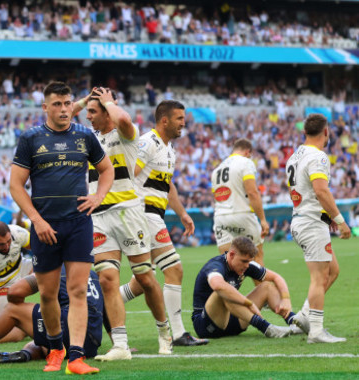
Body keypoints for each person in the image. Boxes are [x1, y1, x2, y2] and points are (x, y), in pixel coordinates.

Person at [9, 81, 114, 375]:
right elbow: (16, 186)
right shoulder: (31, 139)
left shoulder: (84, 136)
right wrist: (37, 220)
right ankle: (56, 348)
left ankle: (76, 358)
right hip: (45, 227)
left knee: (78, 290)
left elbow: (107, 170)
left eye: (67, 103)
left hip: (78, 223)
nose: (64, 109)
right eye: (57, 104)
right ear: (46, 107)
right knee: (47, 294)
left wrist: (98, 196)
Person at [73, 87, 171, 359]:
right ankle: (120, 345)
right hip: (99, 214)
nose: (88, 116)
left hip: (128, 212)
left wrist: (108, 102)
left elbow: (125, 120)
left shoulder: (125, 134)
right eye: (88, 111)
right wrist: (84, 101)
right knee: (107, 279)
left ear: (107, 111)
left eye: (93, 112)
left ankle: (164, 331)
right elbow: (64, 117)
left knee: (145, 278)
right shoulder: (88, 138)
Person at [129, 100, 205, 346]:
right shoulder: (147, 142)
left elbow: (167, 185)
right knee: (174, 269)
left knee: (142, 282)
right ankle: (180, 333)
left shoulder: (169, 149)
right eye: (179, 118)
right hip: (144, 213)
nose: (184, 123)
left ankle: (102, 308)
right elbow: (129, 173)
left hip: (154, 214)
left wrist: (182, 213)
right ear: (165, 120)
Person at [0, 266, 103, 369]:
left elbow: (15, 292)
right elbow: (107, 311)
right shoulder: (92, 273)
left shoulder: (55, 267)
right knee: (44, 340)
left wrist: (26, 311)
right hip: (90, 344)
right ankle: (24, 354)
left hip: (70, 332)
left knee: (13, 310)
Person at [286, 113, 352, 343]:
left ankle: (304, 316)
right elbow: (321, 191)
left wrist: (326, 215)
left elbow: (306, 193)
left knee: (332, 271)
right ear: (326, 132)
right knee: (319, 276)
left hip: (303, 218)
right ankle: (316, 331)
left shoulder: (294, 156)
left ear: (305, 132)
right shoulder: (319, 156)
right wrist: (341, 220)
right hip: (311, 223)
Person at [191, 237, 296, 339]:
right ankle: (266, 328)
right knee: (225, 291)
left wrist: (286, 299)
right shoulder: (216, 265)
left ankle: (294, 322)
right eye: (244, 261)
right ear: (232, 254)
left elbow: (276, 277)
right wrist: (248, 303)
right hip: (206, 325)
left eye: (249, 261)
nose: (247, 266)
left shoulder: (247, 265)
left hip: (233, 322)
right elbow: (218, 285)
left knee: (266, 287)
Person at [211, 138, 270, 264]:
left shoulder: (217, 169)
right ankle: (262, 285)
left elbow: (217, 196)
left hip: (221, 217)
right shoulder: (245, 163)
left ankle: (227, 284)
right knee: (256, 257)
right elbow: (252, 193)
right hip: (242, 214)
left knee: (228, 262)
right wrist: (263, 220)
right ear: (248, 152)